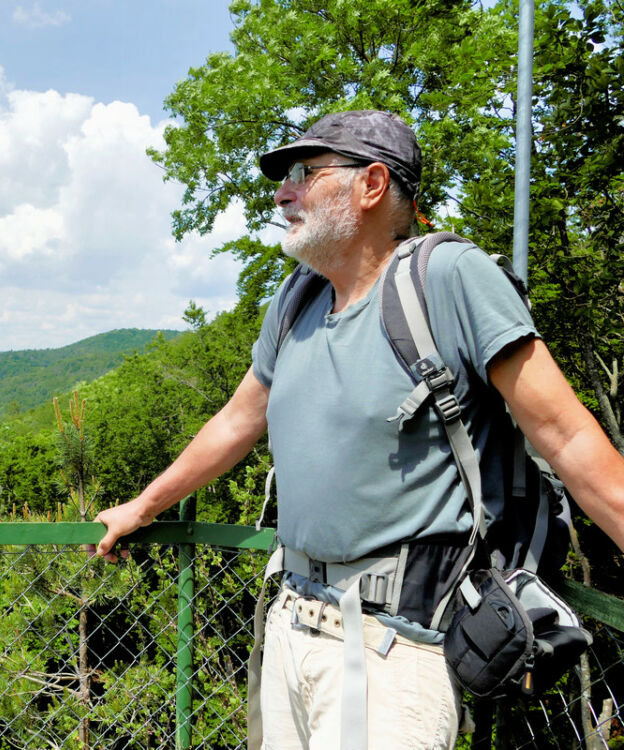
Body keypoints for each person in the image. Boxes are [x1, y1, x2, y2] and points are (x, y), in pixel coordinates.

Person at [88, 110, 624, 750]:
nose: (282, 193)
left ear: (372, 185)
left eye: (304, 174)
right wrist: (144, 506)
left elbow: (567, 437)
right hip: (288, 622)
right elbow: (238, 419)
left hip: (395, 650)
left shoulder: (448, 277)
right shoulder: (297, 301)